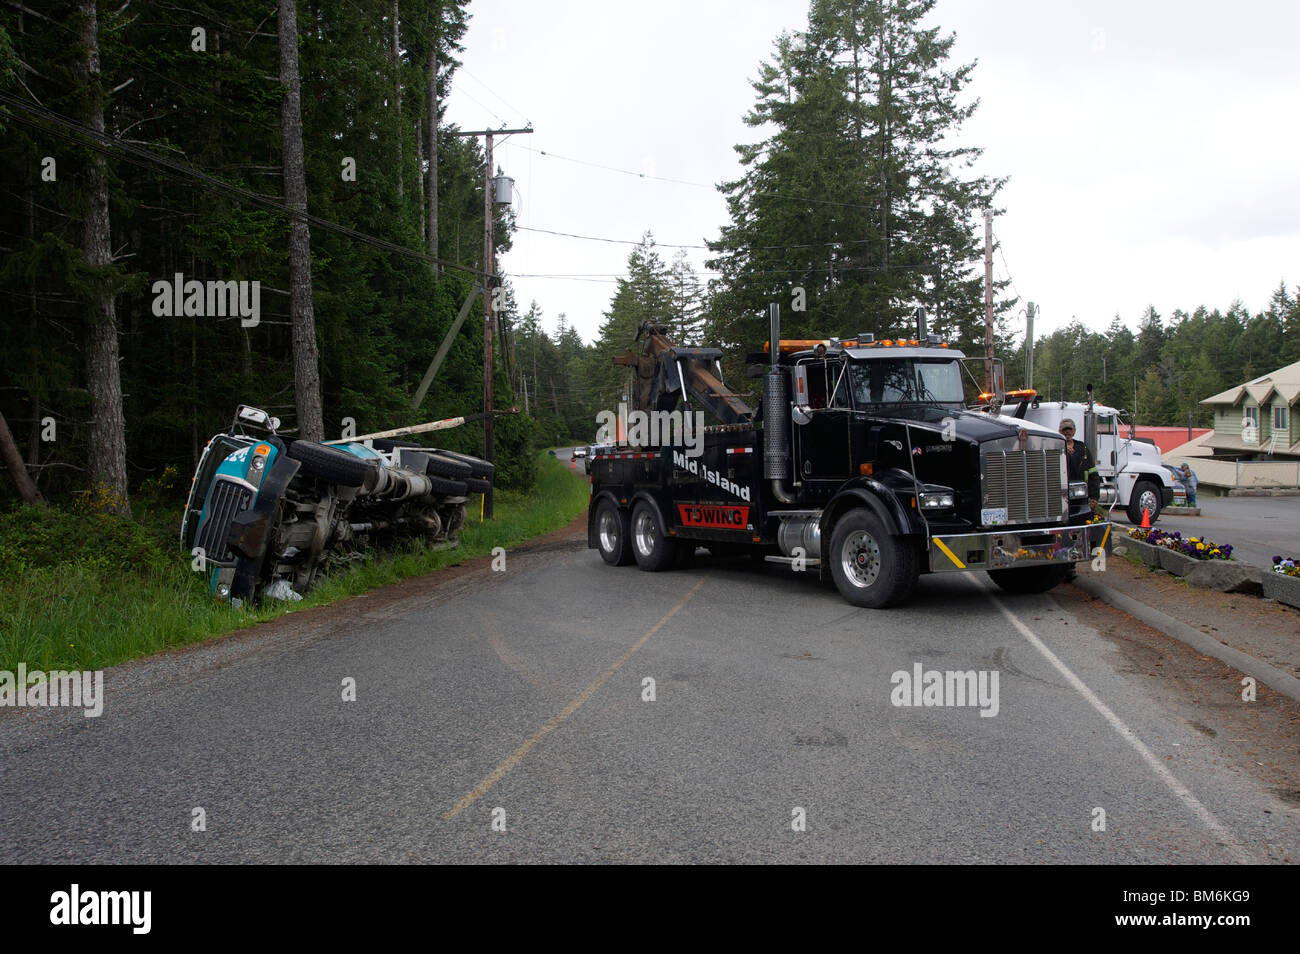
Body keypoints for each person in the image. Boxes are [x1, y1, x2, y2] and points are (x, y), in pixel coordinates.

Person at [1059, 418, 1100, 503]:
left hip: (1080, 494)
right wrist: (1063, 449)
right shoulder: (1055, 447)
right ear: (1060, 431)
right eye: (1064, 429)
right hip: (1061, 494)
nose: (1067, 432)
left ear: (1074, 431)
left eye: (1070, 429)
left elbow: (1093, 473)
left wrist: (1094, 496)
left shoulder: (1082, 448)